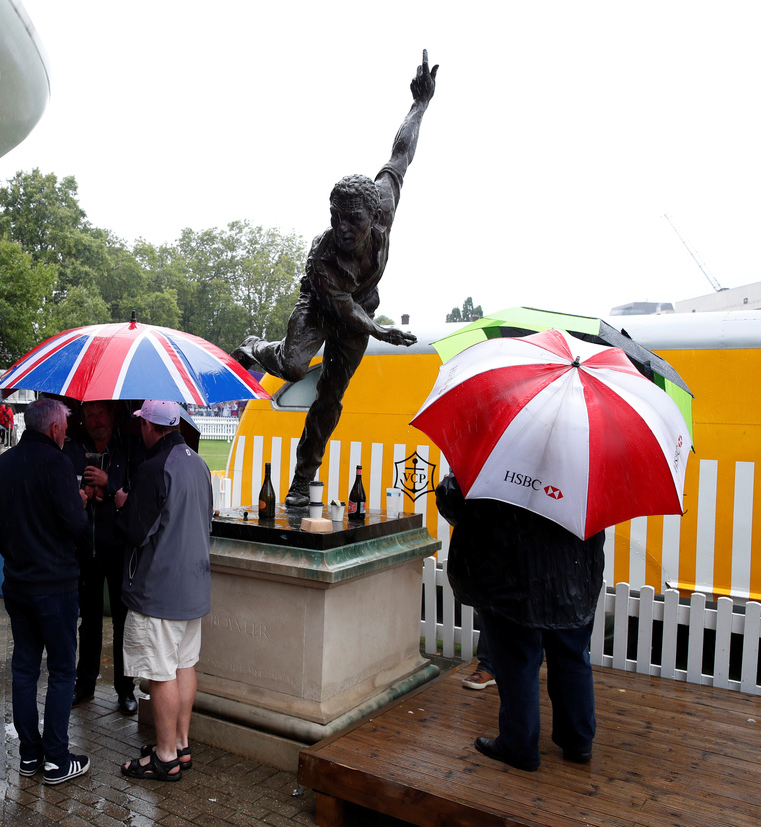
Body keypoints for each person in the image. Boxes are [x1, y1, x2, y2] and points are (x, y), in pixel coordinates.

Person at [232, 50, 436, 507]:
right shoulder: (323, 259)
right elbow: (343, 309)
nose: (342, 228)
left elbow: (401, 154)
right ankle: (256, 347)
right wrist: (380, 330)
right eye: (335, 217)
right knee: (292, 366)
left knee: (330, 399)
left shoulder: (383, 203)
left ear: (373, 215)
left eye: (352, 219)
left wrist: (420, 104)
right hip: (323, 304)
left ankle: (301, 481)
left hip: (360, 307)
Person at [436, 473, 605, 772]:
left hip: (513, 574)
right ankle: (578, 740)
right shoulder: (590, 462)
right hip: (573, 577)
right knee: (572, 656)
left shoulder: (500, 454)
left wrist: (449, 484)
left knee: (517, 660)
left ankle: (519, 745)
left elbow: (457, 505)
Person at [0, 398, 90, 785]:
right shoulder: (57, 463)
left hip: (18, 582)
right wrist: (79, 503)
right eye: (65, 425)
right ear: (54, 428)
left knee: (25, 669)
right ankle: (57, 758)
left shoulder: (2, 465)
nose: (67, 431)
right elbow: (75, 524)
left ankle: (29, 754)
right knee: (62, 669)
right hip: (55, 584)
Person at [114, 400, 213, 782]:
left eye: (141, 423)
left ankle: (166, 754)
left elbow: (136, 531)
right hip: (194, 585)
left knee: (160, 673)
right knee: (184, 664)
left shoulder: (154, 468)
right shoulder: (198, 463)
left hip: (160, 589)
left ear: (148, 427)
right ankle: (181, 744)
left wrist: (123, 505)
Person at [63, 400, 140, 715]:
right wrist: (82, 492)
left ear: (112, 414)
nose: (96, 420)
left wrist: (110, 485)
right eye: (89, 414)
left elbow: (139, 493)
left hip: (118, 546)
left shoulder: (128, 449)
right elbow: (61, 489)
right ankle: (85, 683)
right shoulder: (73, 449)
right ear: (82, 418)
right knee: (89, 620)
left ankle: (125, 688)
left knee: (123, 620)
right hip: (85, 546)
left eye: (101, 413)